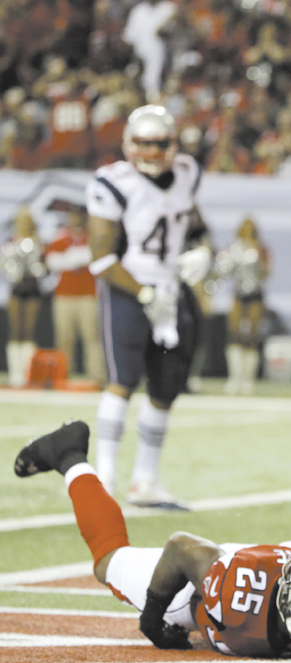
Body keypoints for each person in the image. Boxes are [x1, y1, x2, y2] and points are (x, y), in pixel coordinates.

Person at [13, 421, 291, 657]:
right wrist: (152, 619)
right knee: (108, 561)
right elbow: (181, 548)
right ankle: (69, 455)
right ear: (287, 589)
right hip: (209, 584)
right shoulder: (236, 593)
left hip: (285, 569)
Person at [86, 104, 213, 508]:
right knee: (122, 380)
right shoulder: (112, 182)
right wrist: (144, 294)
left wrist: (204, 250)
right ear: (128, 144)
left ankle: (145, 480)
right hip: (129, 288)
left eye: (160, 143)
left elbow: (192, 223)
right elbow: (102, 259)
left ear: (173, 143)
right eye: (144, 143)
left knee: (166, 386)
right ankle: (103, 478)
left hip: (171, 289)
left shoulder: (188, 173)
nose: (153, 152)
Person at [44, 204, 104, 384]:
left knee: (92, 337)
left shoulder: (93, 236)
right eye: (73, 216)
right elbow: (52, 262)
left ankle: (97, 377)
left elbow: (98, 258)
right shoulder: (61, 237)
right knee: (64, 338)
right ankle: (62, 375)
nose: (76, 220)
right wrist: (77, 258)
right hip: (64, 295)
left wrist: (72, 258)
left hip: (88, 295)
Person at [215, 217, 270, 396]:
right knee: (235, 333)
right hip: (238, 294)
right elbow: (224, 270)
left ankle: (247, 378)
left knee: (252, 335)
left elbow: (266, 272)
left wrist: (256, 259)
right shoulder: (234, 247)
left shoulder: (261, 248)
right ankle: (234, 377)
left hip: (255, 294)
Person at [1, 206, 46, 387]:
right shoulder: (10, 242)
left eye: (27, 221)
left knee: (28, 331)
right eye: (21, 221)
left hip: (32, 290)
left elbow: (42, 268)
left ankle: (29, 374)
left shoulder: (39, 242)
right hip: (15, 289)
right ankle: (15, 375)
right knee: (15, 331)